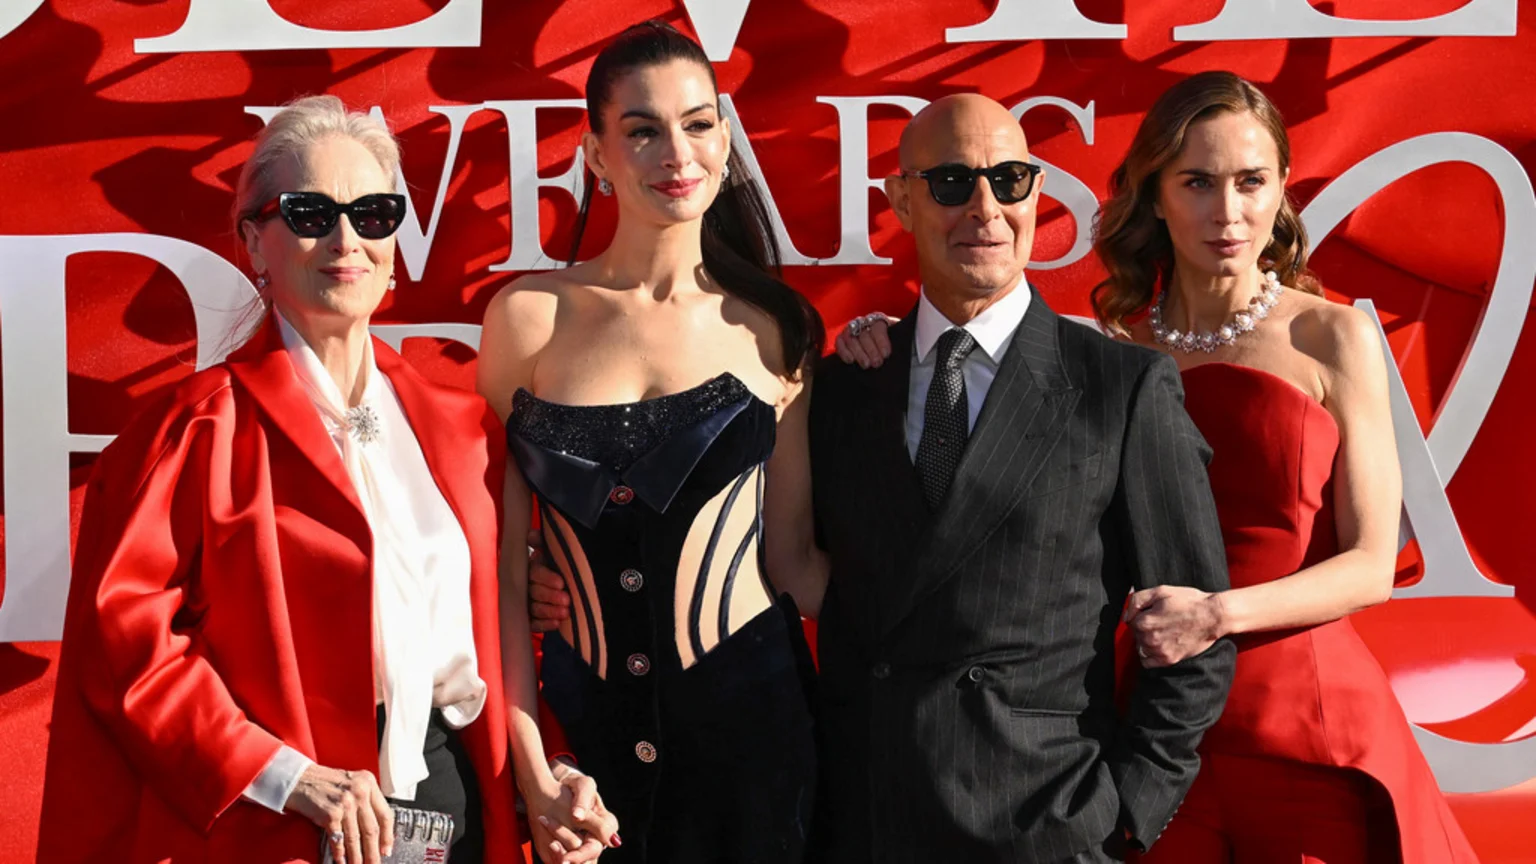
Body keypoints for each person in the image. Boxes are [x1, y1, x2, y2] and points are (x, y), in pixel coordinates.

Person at [537, 92, 1235, 863]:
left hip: (1047, 828)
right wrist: (561, 575)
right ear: (901, 199)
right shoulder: (841, 387)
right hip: (864, 822)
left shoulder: (1122, 387)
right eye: (950, 183)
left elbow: (1195, 633)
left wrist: (1122, 813)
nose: (985, 208)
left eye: (1010, 180)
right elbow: (752, 549)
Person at [839, 72, 1480, 864]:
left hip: (1299, 719)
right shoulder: (1112, 352)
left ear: (1283, 191)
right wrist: (876, 339)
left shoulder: (1332, 336)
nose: (1228, 211)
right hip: (1149, 723)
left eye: (1252, 182)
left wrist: (1216, 616)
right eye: (1198, 183)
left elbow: (1373, 565)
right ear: (1155, 197)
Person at [35, 95, 598, 864]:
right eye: (308, 212)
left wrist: (552, 768)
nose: (345, 239)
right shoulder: (192, 431)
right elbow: (128, 652)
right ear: (253, 244)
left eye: (373, 212)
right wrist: (288, 777)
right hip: (273, 823)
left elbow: (488, 650)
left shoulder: (464, 432)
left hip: (453, 809)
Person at [476, 21, 826, 864]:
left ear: (726, 135)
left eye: (699, 123)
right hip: (582, 763)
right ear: (596, 154)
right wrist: (530, 766)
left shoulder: (774, 328)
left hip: (757, 751)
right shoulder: (527, 318)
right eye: (643, 130)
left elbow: (795, 564)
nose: (678, 152)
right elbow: (500, 584)